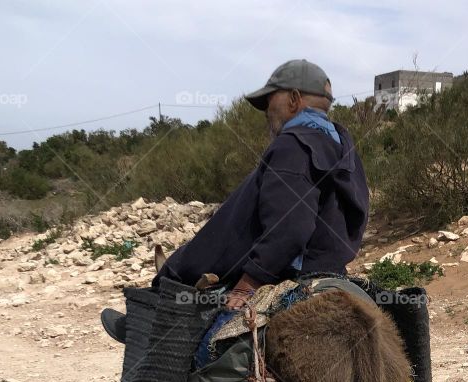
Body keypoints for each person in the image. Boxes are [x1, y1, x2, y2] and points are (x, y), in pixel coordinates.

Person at [101, 59, 370, 345]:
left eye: (270, 101)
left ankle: (142, 332)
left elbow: (290, 228)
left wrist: (249, 283)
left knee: (184, 293)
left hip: (288, 270)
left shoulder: (294, 145)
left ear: (294, 99)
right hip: (329, 267)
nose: (267, 111)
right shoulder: (343, 147)